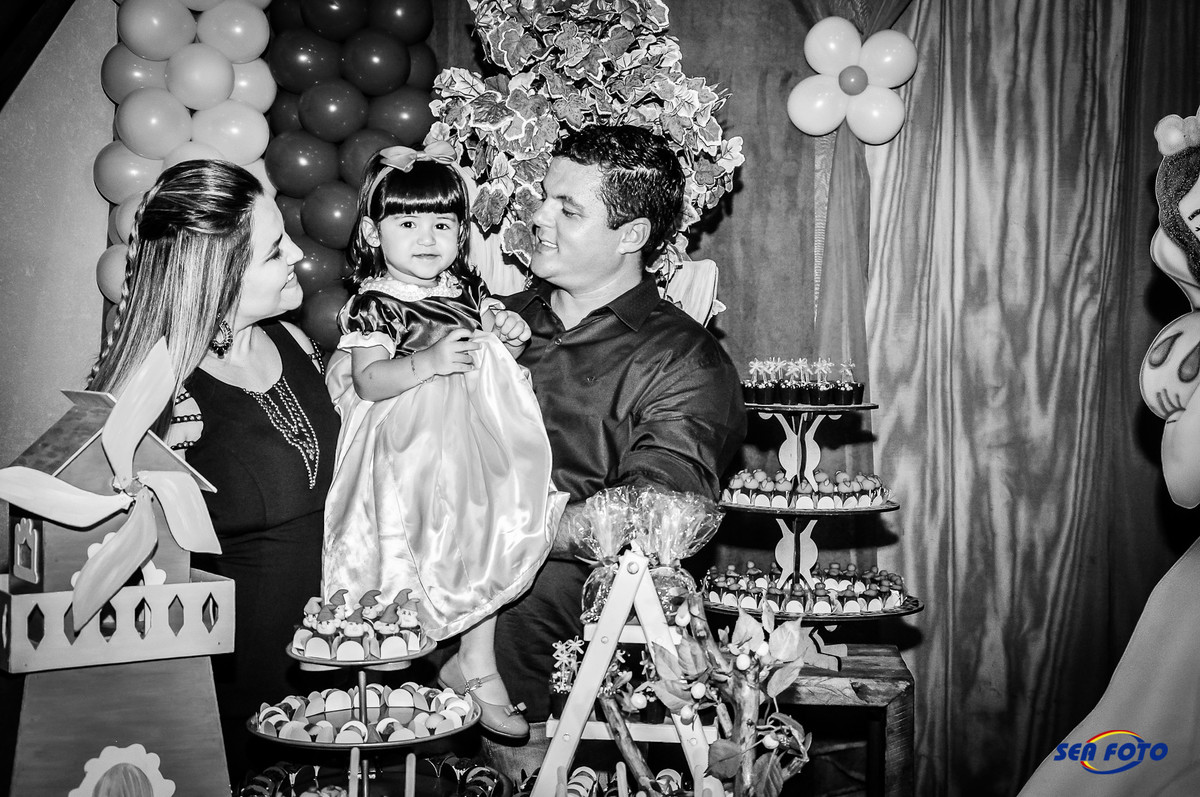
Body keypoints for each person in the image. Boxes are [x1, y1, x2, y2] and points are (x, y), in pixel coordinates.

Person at [489, 124, 746, 770]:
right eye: (544, 197)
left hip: (563, 690)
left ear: (631, 235)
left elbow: (653, 518)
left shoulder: (683, 359)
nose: (538, 217)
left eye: (568, 209)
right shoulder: (492, 322)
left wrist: (503, 530)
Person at [88, 160, 340, 789]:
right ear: (217, 278)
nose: (297, 257)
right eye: (273, 251)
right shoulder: (155, 390)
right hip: (236, 680)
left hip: (327, 656)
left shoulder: (293, 342)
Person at [322, 142, 564, 739]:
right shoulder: (374, 303)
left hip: (472, 440)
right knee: (427, 542)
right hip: (409, 448)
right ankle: (416, 658)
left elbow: (486, 349)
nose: (427, 238)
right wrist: (428, 361)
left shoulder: (466, 290)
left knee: (487, 535)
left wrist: (505, 331)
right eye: (407, 224)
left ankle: (474, 658)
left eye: (442, 223)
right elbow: (369, 381)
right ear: (374, 234)